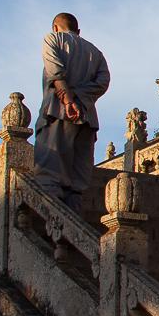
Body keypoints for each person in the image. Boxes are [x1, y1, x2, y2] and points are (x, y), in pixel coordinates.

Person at [35, 12, 110, 208]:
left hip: (58, 112)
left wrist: (68, 99)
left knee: (50, 174)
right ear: (78, 31)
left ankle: (49, 229)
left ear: (55, 27)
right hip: (87, 118)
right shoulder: (96, 52)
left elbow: (54, 69)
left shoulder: (53, 39)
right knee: (77, 184)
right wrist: (81, 97)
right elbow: (103, 82)